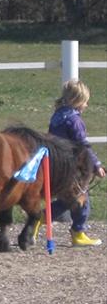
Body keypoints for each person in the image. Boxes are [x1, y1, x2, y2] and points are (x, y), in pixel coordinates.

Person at [48, 79, 105, 247]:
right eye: (85, 101)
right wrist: (96, 165)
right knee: (82, 200)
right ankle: (78, 233)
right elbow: (83, 146)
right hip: (72, 168)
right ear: (77, 101)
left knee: (68, 200)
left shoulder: (57, 116)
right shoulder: (74, 121)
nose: (86, 105)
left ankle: (42, 217)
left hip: (57, 165)